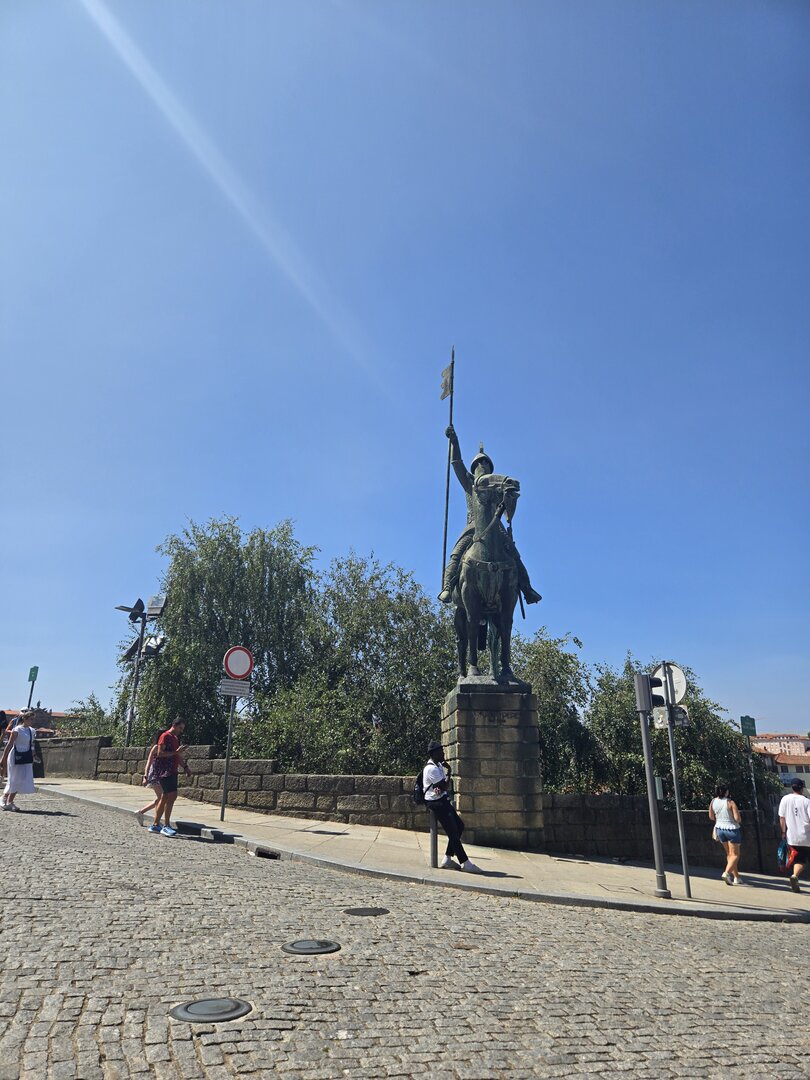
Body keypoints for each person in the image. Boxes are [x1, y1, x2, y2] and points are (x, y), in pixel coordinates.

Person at [438, 424, 541, 606]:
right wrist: (454, 441)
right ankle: (447, 587)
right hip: (473, 527)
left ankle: (527, 589)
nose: (482, 465)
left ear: (490, 467)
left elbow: (509, 509)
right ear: (474, 468)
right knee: (457, 554)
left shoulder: (497, 486)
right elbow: (457, 463)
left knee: (515, 555)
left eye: (485, 463)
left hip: (496, 528)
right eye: (479, 463)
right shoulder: (470, 483)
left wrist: (509, 497)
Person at [423, 740, 479, 872]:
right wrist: (449, 771)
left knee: (459, 826)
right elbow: (445, 785)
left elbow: (444, 785)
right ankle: (465, 862)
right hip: (436, 803)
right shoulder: (431, 769)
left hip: (442, 799)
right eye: (441, 751)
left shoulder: (438, 766)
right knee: (453, 832)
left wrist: (445, 780)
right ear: (434, 753)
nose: (443, 753)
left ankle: (447, 859)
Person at [148, 718, 191, 837]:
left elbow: (177, 756)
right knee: (172, 796)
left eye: (182, 729)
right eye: (180, 728)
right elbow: (160, 753)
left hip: (172, 770)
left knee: (165, 796)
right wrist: (176, 752)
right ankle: (166, 825)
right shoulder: (165, 736)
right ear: (174, 725)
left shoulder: (175, 738)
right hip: (164, 771)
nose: (181, 731)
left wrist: (185, 767)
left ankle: (155, 824)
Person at [0, 712, 37, 811]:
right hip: (16, 755)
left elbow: (31, 744)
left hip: (26, 756)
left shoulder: (32, 730)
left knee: (22, 779)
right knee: (14, 778)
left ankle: (9, 800)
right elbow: (9, 744)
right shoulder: (17, 729)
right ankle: (5, 799)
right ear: (24, 719)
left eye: (33, 719)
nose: (32, 721)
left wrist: (34, 754)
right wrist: (3, 757)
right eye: (30, 719)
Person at [778, 778, 810, 893]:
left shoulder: (785, 799)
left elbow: (782, 817)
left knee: (798, 859)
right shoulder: (806, 801)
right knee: (803, 859)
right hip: (806, 837)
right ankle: (794, 876)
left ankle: (794, 875)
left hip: (792, 837)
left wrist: (783, 832)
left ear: (792, 787)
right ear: (802, 788)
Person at [708, 783, 743, 885]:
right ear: (726, 792)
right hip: (732, 829)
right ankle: (726, 873)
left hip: (720, 829)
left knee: (729, 854)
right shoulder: (730, 802)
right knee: (735, 855)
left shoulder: (713, 801)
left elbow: (711, 817)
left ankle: (736, 877)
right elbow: (737, 819)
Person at [136, 731, 165, 827]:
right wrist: (145, 776)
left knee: (161, 798)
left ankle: (142, 813)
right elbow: (149, 762)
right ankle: (154, 820)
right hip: (155, 775)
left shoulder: (167, 748)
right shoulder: (156, 747)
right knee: (162, 798)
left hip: (163, 775)